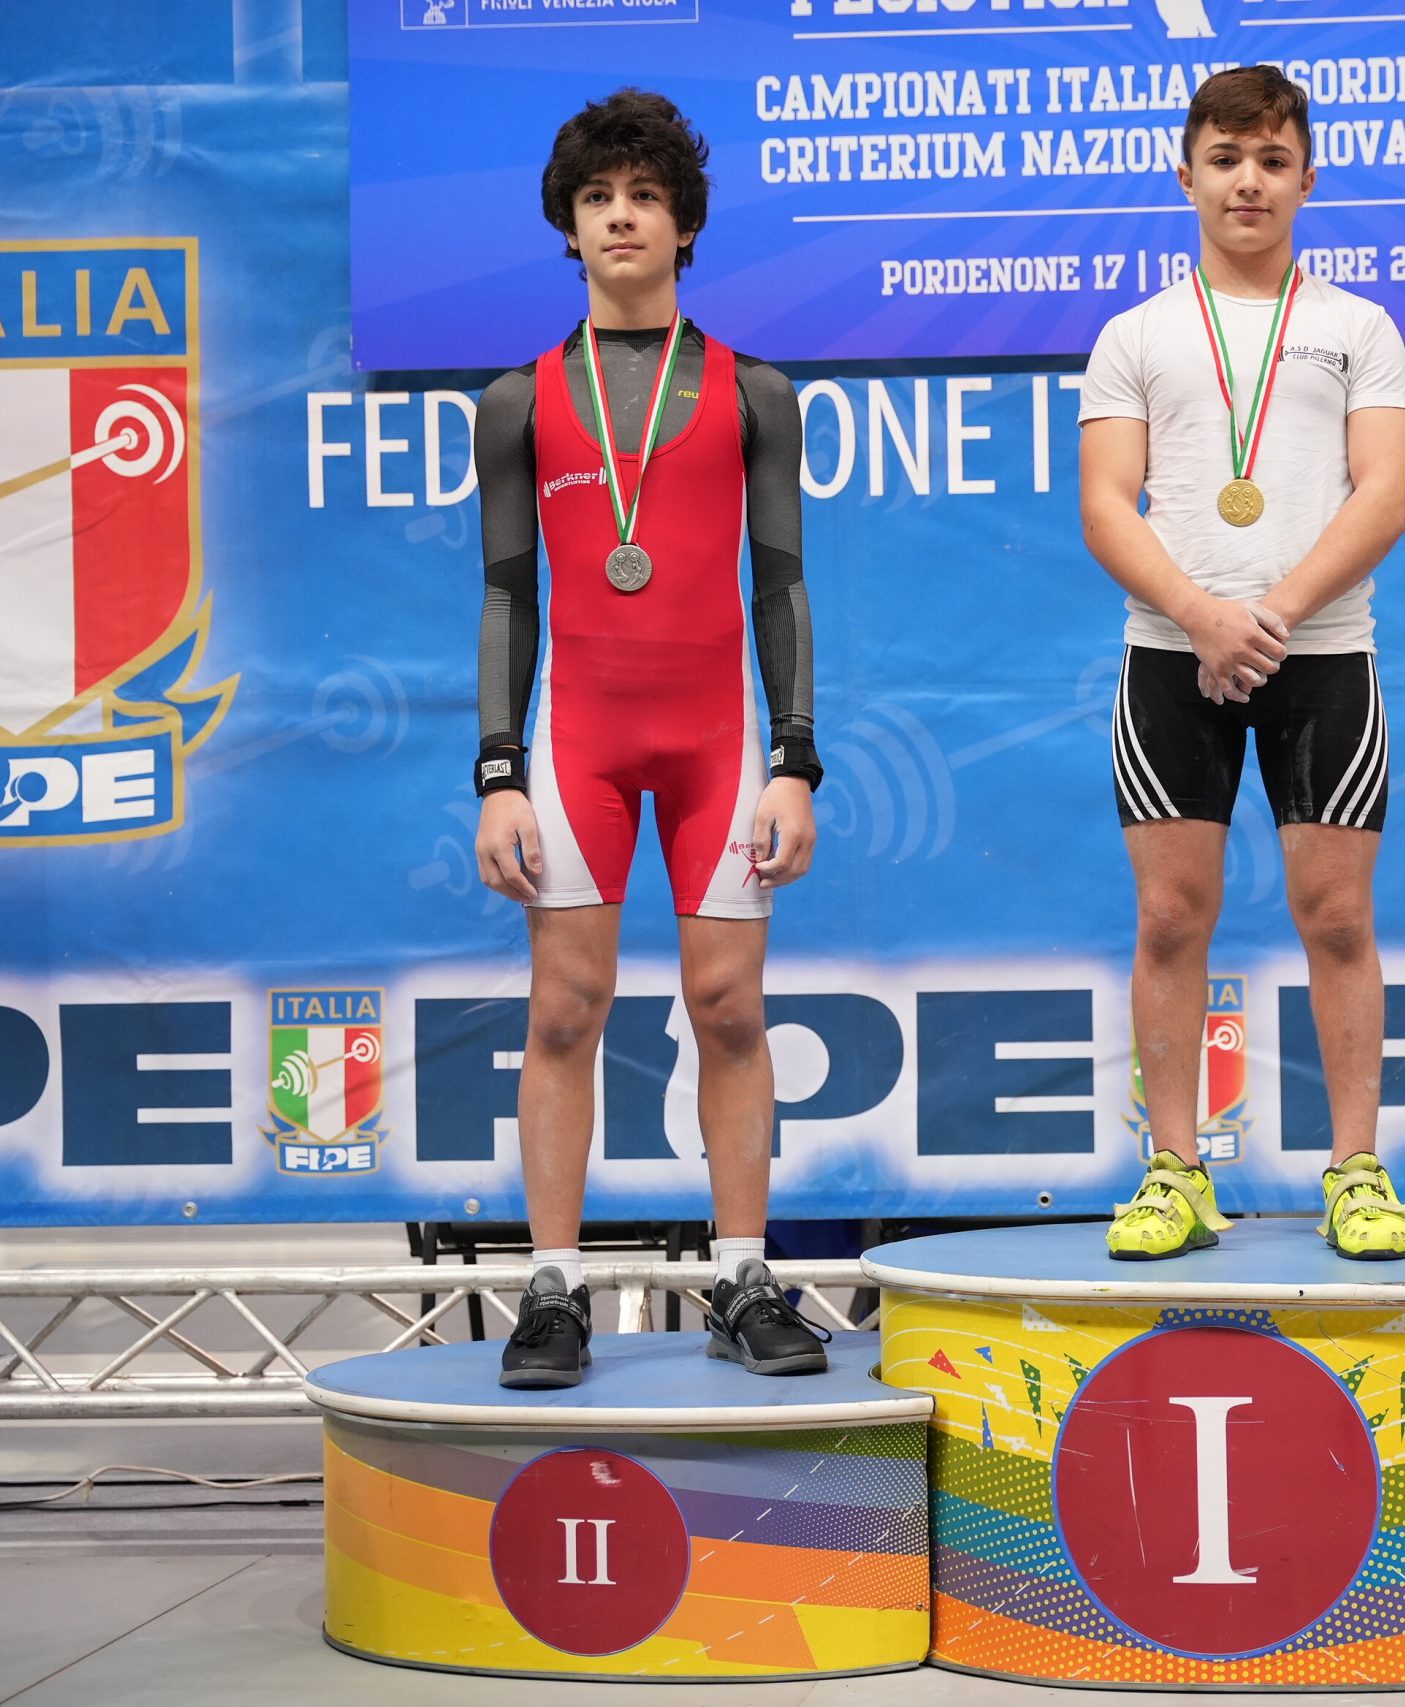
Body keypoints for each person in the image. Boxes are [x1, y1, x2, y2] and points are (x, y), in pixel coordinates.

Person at [471, 89, 827, 1387]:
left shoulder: (755, 393)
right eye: (597, 197)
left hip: (717, 742)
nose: (620, 216)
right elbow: (508, 598)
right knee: (565, 1008)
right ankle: (553, 1290)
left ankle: (744, 1275)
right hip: (577, 742)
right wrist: (498, 772)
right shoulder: (518, 401)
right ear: (568, 227)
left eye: (645, 196)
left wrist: (794, 759)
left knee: (729, 1006)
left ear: (684, 226)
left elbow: (779, 585)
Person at [1077, 66, 1405, 1260]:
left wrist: (1266, 613)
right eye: (1225, 160)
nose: (1248, 182)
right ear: (1185, 175)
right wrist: (1199, 616)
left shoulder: (1358, 329)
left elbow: (1385, 494)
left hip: (1323, 656)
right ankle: (1174, 1171)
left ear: (1307, 179)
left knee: (1338, 917)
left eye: (1272, 160)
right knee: (1171, 918)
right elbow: (1106, 504)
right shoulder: (1134, 335)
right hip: (1170, 661)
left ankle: (1355, 1170)